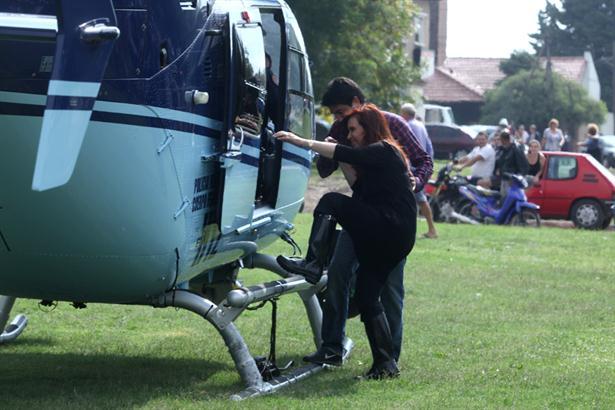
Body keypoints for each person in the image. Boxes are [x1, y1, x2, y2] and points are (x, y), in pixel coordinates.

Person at [282, 77, 432, 368]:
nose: (340, 124)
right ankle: (334, 348)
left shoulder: (388, 127)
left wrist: (413, 181)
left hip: (389, 222)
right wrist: (335, 152)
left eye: (341, 114)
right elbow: (330, 167)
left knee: (389, 289)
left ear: (356, 105)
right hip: (364, 213)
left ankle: (391, 355)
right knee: (342, 276)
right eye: (337, 118)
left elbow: (423, 160)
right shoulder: (344, 131)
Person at [400, 102, 438, 239]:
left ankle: (431, 229)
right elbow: (429, 147)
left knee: (418, 199)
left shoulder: (407, 126)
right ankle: (429, 228)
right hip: (422, 167)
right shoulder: (421, 126)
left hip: (412, 168)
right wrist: (429, 166)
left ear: (404, 114)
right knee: (419, 200)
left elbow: (405, 148)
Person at [483, 129, 529, 194]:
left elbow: (524, 167)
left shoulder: (516, 149)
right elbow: (499, 163)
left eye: (503, 138)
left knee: (508, 198)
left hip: (511, 180)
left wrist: (517, 179)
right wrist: (497, 170)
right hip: (503, 178)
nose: (502, 141)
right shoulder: (502, 149)